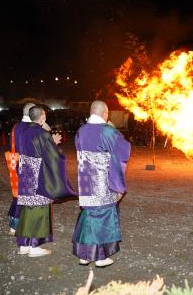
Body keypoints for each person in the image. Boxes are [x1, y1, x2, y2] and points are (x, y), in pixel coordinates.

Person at [72, 100, 131, 267]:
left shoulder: (81, 130)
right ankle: (99, 257)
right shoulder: (108, 132)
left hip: (85, 177)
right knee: (103, 214)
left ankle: (84, 255)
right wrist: (113, 129)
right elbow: (123, 150)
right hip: (103, 180)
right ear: (105, 114)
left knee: (89, 213)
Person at [15, 106, 76, 257]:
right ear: (42, 117)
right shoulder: (41, 133)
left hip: (25, 172)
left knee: (27, 207)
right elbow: (52, 156)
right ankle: (35, 246)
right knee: (39, 207)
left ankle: (24, 244)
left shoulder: (23, 131)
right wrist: (53, 142)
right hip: (38, 173)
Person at [7, 102, 36, 235]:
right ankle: (17, 224)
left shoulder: (16, 126)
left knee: (18, 194)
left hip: (15, 162)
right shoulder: (30, 127)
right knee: (25, 196)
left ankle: (13, 223)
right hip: (27, 164)